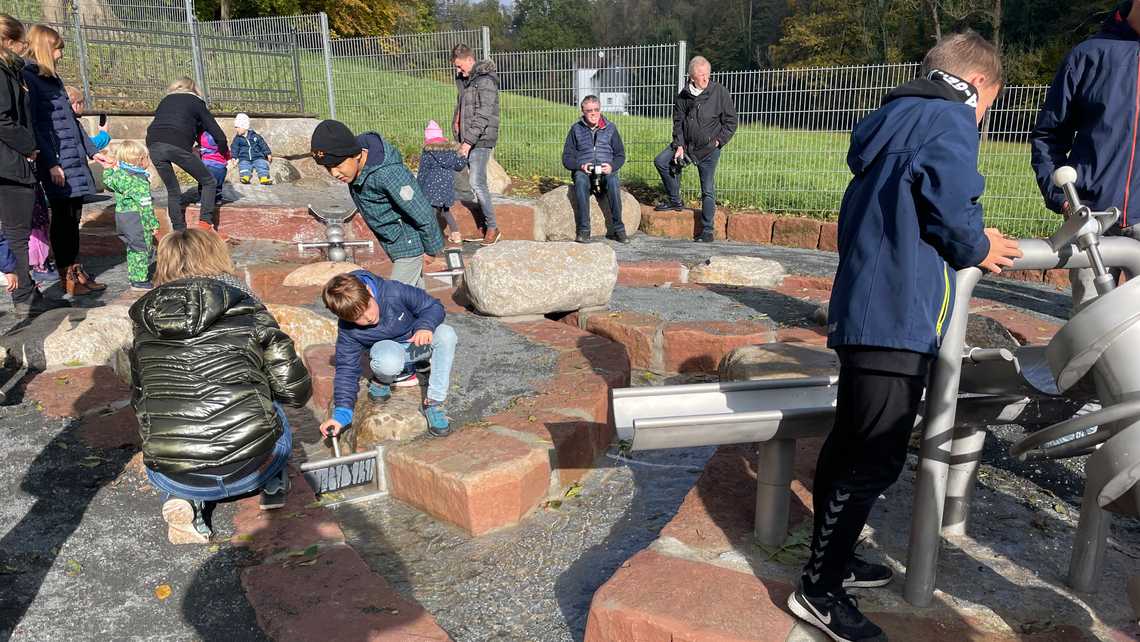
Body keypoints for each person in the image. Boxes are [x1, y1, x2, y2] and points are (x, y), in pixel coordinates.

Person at [787, 32, 1022, 642]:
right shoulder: (948, 118)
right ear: (977, 85)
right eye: (989, 104)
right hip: (896, 315)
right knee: (874, 454)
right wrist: (981, 243)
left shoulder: (896, 117)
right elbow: (951, 207)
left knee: (851, 444)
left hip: (870, 306)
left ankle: (828, 564)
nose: (985, 117)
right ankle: (818, 591)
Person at [129, 228, 312, 544]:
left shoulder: (144, 323)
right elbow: (294, 391)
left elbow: (140, 397)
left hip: (177, 472)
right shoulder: (247, 306)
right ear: (218, 257)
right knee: (274, 405)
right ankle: (272, 483)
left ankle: (183, 501)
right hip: (251, 464)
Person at [1030, 0, 1140, 309]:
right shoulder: (1088, 56)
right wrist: (1065, 200)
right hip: (1095, 219)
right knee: (1092, 334)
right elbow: (1048, 136)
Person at [318, 270, 457, 439]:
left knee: (446, 334)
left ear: (369, 291)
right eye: (358, 318)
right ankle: (384, 379)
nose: (368, 318)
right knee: (388, 361)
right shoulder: (348, 330)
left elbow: (433, 305)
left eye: (367, 307)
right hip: (388, 353)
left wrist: (425, 326)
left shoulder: (393, 291)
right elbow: (346, 368)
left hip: (417, 342)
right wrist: (341, 415)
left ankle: (434, 402)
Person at [24, 24, 107, 296]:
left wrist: (93, 151)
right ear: (46, 48)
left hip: (73, 158)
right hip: (58, 161)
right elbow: (36, 125)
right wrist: (51, 162)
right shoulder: (30, 78)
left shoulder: (54, 80)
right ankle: (66, 276)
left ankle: (75, 270)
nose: (61, 54)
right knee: (63, 220)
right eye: (58, 48)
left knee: (73, 218)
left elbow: (72, 122)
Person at [309, 119, 443, 288]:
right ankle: (426, 313)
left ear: (356, 154)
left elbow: (421, 210)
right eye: (328, 168)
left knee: (394, 298)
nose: (334, 173)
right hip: (397, 244)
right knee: (414, 297)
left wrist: (431, 248)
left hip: (409, 245)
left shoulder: (388, 174)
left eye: (338, 165)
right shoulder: (355, 168)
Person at [653, 55, 737, 243]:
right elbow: (678, 122)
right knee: (661, 161)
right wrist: (679, 145)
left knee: (707, 188)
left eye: (707, 74)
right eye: (701, 75)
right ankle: (675, 200)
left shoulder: (719, 92)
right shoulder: (683, 96)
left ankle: (707, 230)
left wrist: (718, 142)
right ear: (691, 77)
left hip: (709, 148)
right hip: (687, 145)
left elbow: (731, 121)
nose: (705, 78)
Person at [146, 77, 229, 238]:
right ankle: (205, 226)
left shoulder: (165, 101)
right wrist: (224, 151)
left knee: (173, 190)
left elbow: (172, 122)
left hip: (153, 143)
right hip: (176, 143)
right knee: (209, 181)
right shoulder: (196, 101)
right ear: (194, 88)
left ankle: (179, 232)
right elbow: (216, 131)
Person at [561, 95, 629, 244]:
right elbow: (566, 158)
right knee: (579, 179)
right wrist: (580, 166)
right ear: (583, 111)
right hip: (584, 172)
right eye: (589, 110)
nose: (593, 113)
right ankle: (584, 230)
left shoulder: (610, 128)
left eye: (596, 110)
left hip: (605, 172)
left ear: (600, 110)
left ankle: (619, 229)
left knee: (613, 180)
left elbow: (620, 155)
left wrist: (611, 166)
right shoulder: (575, 129)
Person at [451, 43, 501, 246]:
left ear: (470, 60)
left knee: (476, 183)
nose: (458, 70)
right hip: (468, 139)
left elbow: (483, 114)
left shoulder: (485, 81)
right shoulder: (468, 82)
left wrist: (467, 142)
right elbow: (463, 109)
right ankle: (484, 227)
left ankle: (493, 228)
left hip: (480, 140)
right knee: (473, 185)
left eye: (460, 66)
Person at [96, 140, 157, 290]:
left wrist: (108, 168)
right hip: (137, 217)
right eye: (147, 157)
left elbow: (108, 182)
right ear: (140, 160)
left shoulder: (119, 175)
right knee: (142, 248)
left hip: (122, 217)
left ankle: (133, 275)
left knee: (132, 247)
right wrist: (153, 223)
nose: (149, 161)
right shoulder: (138, 180)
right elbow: (145, 204)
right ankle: (140, 280)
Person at [417, 119, 467, 247]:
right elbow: (459, 166)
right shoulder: (450, 152)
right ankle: (456, 235)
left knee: (431, 213)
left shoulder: (428, 152)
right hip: (446, 189)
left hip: (430, 189)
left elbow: (422, 172)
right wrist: (463, 156)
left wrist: (418, 186)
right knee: (446, 211)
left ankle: (432, 239)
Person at [232, 113, 273, 185]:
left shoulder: (255, 136)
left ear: (244, 127)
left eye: (238, 127)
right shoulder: (237, 139)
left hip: (257, 156)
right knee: (243, 165)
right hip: (244, 157)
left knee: (262, 164)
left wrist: (268, 153)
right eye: (235, 127)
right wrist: (234, 157)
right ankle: (245, 177)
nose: (236, 129)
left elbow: (263, 144)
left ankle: (263, 177)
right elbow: (234, 148)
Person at [64, 85, 109, 151]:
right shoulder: (72, 124)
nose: (83, 107)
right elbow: (89, 145)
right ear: (76, 105)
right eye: (82, 103)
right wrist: (104, 134)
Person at [198, 131, 229, 207]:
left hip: (207, 168)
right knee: (218, 185)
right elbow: (228, 155)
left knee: (203, 185)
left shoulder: (203, 149)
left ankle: (202, 200)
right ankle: (217, 199)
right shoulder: (221, 149)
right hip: (221, 169)